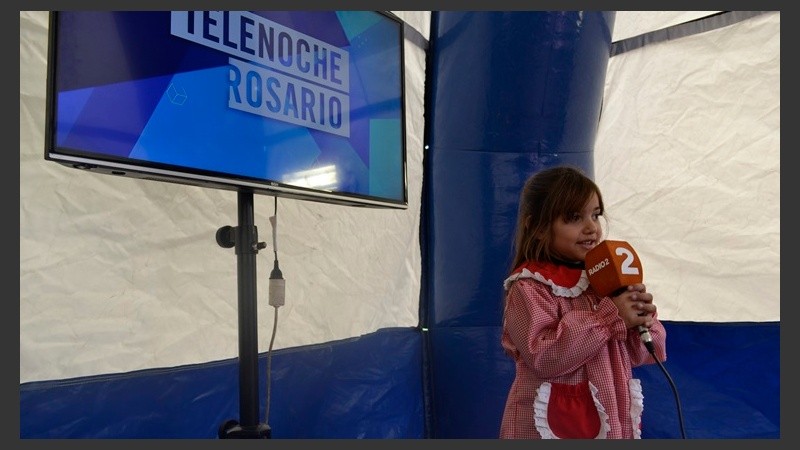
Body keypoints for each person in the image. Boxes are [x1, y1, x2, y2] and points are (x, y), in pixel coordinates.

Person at [499, 165, 666, 439]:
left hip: (609, 422)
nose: (591, 228)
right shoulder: (529, 288)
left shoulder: (604, 281)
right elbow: (544, 358)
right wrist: (608, 319)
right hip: (554, 427)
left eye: (595, 215)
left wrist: (641, 319)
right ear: (538, 228)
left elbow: (646, 354)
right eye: (574, 218)